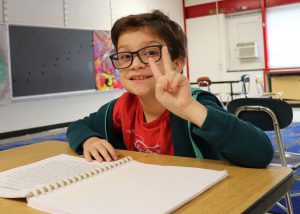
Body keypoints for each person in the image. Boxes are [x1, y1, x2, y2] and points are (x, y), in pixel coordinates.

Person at [67, 10, 273, 168]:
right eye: (125, 56)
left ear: (177, 63)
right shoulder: (123, 106)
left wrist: (190, 109)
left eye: (150, 53)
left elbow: (261, 153)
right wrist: (89, 139)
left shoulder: (196, 103)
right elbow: (78, 126)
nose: (135, 64)